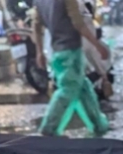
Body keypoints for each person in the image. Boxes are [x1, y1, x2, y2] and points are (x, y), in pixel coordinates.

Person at [33, 0, 110, 136]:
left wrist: (39, 52)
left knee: (82, 87)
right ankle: (48, 129)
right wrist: (97, 45)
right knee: (67, 90)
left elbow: (36, 25)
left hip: (57, 50)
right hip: (71, 50)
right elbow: (78, 23)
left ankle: (98, 124)